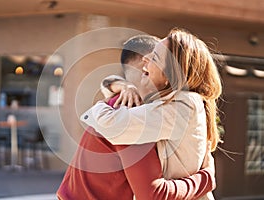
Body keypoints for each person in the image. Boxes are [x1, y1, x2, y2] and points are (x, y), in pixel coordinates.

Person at [57, 34, 216, 200]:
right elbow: (153, 195)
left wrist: (110, 92)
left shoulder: (141, 111)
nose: (147, 60)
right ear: (141, 66)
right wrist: (206, 178)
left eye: (154, 57)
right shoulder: (133, 114)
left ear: (170, 73)